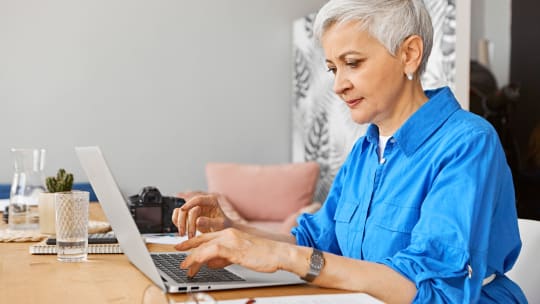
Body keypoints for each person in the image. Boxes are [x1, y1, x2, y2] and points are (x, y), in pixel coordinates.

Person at [172, 0, 526, 302]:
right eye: (332, 68)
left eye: (353, 63)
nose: (339, 85)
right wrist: (234, 230)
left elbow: (435, 290)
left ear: (409, 54)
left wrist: (283, 255)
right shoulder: (366, 150)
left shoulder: (467, 143)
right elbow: (312, 241)